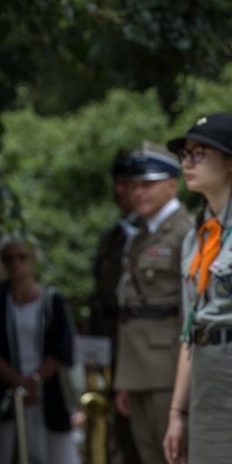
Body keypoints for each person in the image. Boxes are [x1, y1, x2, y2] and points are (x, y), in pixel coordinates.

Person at [113, 141, 191, 464]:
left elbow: (189, 311)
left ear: (172, 184)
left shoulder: (185, 232)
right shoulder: (143, 233)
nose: (138, 193)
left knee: (175, 456)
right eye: (134, 185)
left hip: (169, 371)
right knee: (149, 455)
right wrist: (126, 379)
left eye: (148, 184)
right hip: (139, 370)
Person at [162, 113, 232, 464]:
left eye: (200, 153)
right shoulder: (197, 237)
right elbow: (190, 331)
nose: (187, 163)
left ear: (230, 161)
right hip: (206, 376)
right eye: (185, 154)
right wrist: (177, 412)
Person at [0, 236, 80, 464]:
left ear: (32, 259)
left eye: (22, 257)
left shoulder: (52, 301)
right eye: (9, 259)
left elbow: (61, 348)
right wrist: (18, 383)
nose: (16, 264)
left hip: (50, 395)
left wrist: (34, 380)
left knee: (58, 455)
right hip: (11, 396)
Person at [89, 149, 142, 464]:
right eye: (117, 183)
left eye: (127, 183)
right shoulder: (113, 236)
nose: (119, 190)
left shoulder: (154, 235)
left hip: (141, 348)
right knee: (118, 436)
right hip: (108, 346)